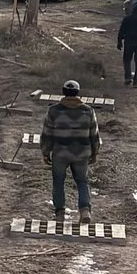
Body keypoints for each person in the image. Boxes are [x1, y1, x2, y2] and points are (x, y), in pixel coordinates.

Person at [41, 79, 101, 218]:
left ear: (63, 92)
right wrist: (95, 152)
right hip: (82, 153)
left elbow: (47, 133)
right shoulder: (88, 111)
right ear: (77, 93)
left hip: (60, 153)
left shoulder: (53, 111)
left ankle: (60, 212)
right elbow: (94, 134)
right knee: (82, 181)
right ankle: (85, 211)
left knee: (58, 181)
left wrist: (45, 152)